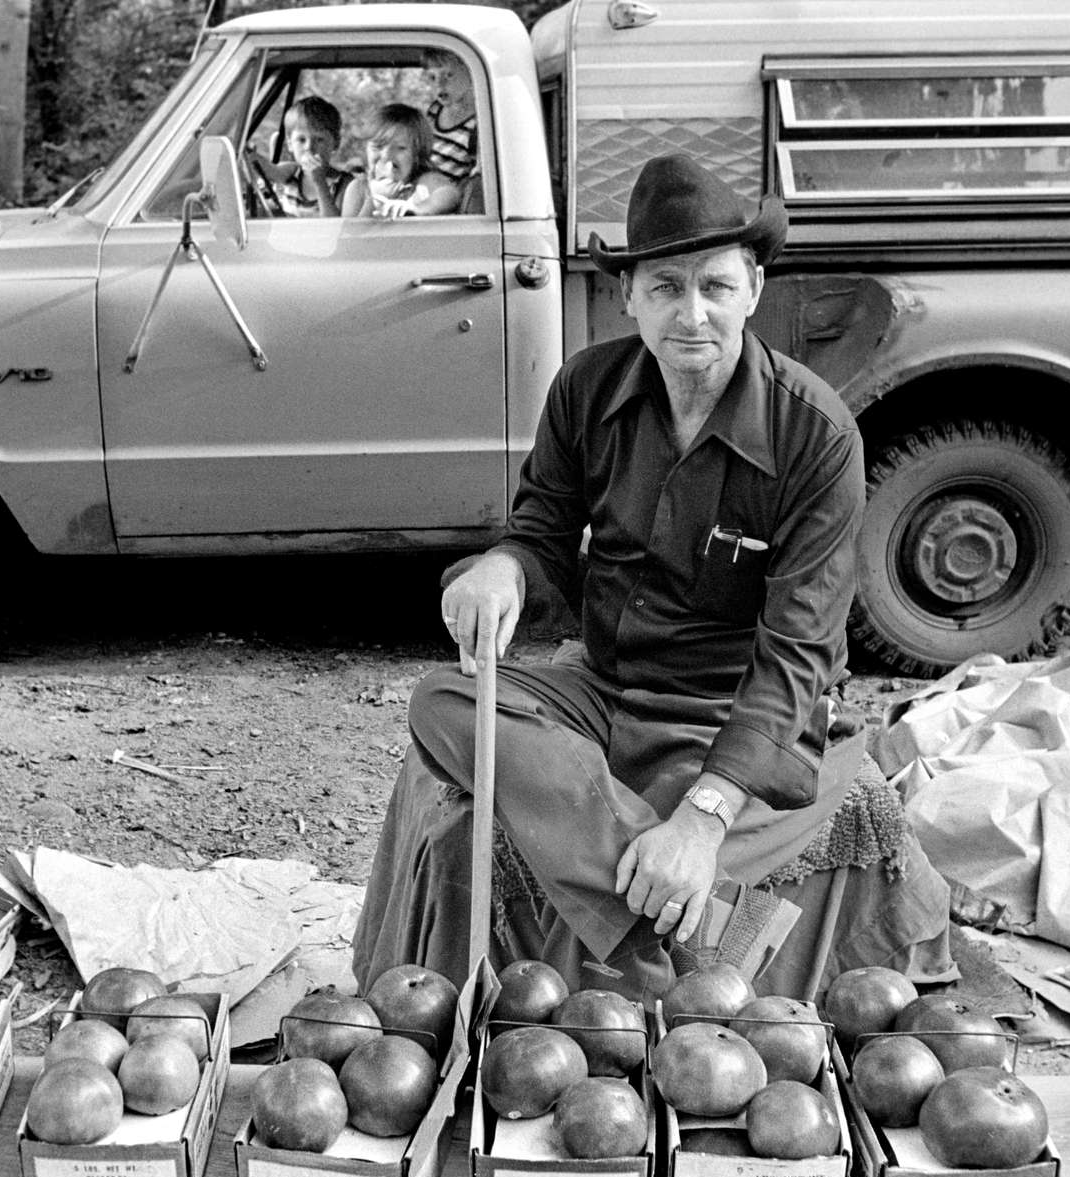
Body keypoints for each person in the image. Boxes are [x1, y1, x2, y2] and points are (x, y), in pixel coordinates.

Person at [350, 154, 953, 1005]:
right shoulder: (587, 389)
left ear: (752, 288)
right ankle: (691, 921)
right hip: (601, 688)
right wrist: (498, 570)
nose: (692, 313)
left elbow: (800, 654)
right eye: (666, 287)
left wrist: (701, 822)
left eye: (714, 285)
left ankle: (646, 936)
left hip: (723, 712)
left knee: (674, 820)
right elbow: (542, 537)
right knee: (442, 703)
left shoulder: (816, 435)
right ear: (629, 295)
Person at [340, 104, 460, 220]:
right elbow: (348, 236)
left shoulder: (423, 182)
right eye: (377, 146)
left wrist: (414, 208)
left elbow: (449, 194)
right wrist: (374, 200)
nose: (386, 156)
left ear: (417, 156)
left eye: (400, 148)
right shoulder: (359, 188)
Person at [250, 96, 353, 218]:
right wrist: (250, 154)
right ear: (290, 144)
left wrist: (320, 183)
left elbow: (333, 227)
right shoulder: (290, 172)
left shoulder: (344, 184)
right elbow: (268, 169)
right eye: (301, 140)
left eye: (319, 140)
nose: (309, 147)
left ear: (335, 143)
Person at [422, 48, 478, 184]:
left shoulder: (478, 124)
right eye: (432, 77)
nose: (439, 84)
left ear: (471, 72)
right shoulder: (434, 110)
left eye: (448, 75)